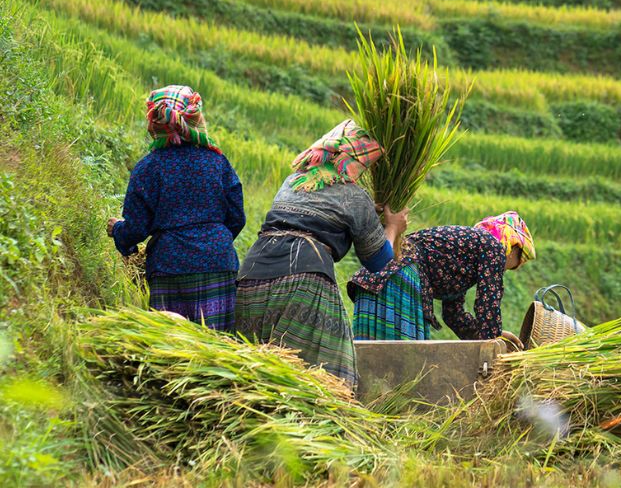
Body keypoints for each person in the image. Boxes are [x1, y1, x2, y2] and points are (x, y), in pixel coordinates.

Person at [235, 119, 407, 388]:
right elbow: (379, 261)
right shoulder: (354, 195)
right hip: (303, 279)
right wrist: (393, 227)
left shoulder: (293, 181)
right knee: (317, 378)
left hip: (253, 273)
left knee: (255, 371)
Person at [107, 85, 245, 331]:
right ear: (194, 120)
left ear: (155, 124)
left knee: (172, 352)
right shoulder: (217, 162)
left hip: (170, 266)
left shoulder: (148, 168)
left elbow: (137, 227)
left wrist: (118, 231)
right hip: (217, 263)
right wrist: (211, 240)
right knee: (217, 350)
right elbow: (236, 217)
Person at [348, 211, 535, 348]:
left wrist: (496, 334)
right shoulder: (494, 247)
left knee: (370, 358)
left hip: (375, 274)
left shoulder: (463, 257)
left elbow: (454, 316)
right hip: (401, 277)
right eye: (515, 263)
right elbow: (488, 303)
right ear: (514, 247)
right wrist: (495, 344)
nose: (506, 268)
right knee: (405, 362)